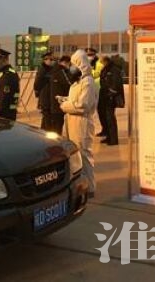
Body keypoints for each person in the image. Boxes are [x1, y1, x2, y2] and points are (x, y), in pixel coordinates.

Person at [59, 49, 98, 198]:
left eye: (74, 64)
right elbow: (75, 101)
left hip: (82, 122)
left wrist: (65, 106)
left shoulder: (88, 82)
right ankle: (79, 184)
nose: (71, 67)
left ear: (81, 64)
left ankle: (90, 187)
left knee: (83, 153)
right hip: (71, 120)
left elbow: (83, 105)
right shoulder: (77, 82)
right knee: (73, 154)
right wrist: (64, 100)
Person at [98, 55, 124, 146]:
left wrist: (111, 93)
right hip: (104, 96)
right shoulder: (105, 69)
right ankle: (108, 137)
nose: (101, 63)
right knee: (105, 118)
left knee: (110, 119)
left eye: (102, 62)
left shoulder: (114, 70)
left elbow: (116, 84)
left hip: (110, 97)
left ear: (106, 61)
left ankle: (113, 139)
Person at [48, 55, 72, 134]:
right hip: (59, 101)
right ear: (65, 62)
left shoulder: (54, 70)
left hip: (53, 101)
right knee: (58, 125)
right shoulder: (62, 71)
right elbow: (69, 84)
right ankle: (57, 140)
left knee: (54, 125)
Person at [34, 51, 55, 130]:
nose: (50, 61)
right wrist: (38, 93)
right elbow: (37, 83)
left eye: (51, 59)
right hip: (45, 96)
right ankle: (47, 132)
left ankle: (43, 132)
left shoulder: (51, 69)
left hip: (49, 96)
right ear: (44, 60)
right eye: (49, 59)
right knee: (47, 117)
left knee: (46, 117)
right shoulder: (42, 69)